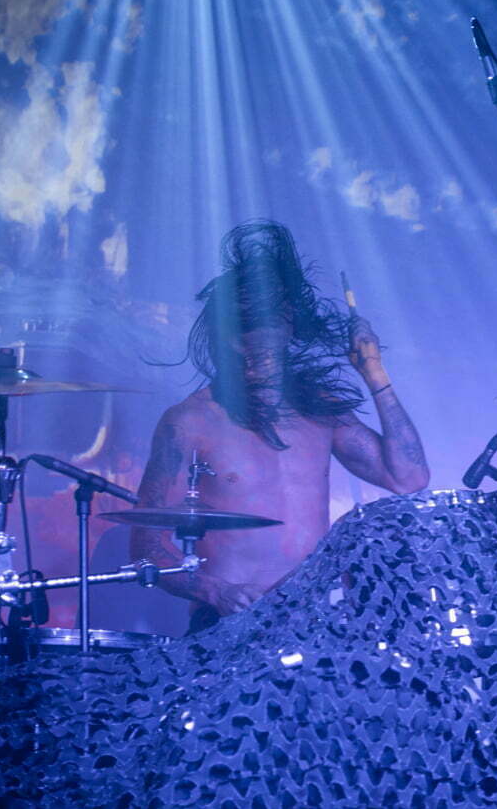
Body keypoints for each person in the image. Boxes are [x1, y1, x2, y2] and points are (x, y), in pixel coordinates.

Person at [130, 220, 428, 629]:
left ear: (287, 332)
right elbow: (146, 546)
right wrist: (214, 591)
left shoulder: (322, 410)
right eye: (244, 346)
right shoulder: (189, 421)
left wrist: (374, 371)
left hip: (312, 623)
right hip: (229, 622)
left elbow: (409, 478)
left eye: (267, 349)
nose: (256, 361)